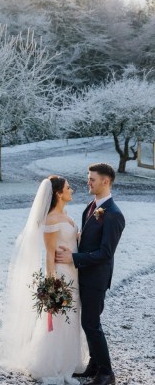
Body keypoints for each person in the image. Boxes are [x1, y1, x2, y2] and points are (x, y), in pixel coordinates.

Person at [0, 175, 88, 385]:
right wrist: (53, 287)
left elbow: (73, 243)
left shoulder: (66, 217)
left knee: (72, 321)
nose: (71, 190)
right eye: (68, 187)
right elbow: (49, 256)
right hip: (62, 277)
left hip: (74, 274)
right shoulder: (51, 220)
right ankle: (51, 365)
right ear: (58, 193)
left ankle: (69, 362)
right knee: (58, 321)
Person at [55, 163, 125, 385]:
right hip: (83, 276)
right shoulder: (91, 206)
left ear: (106, 181)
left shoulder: (114, 214)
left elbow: (105, 253)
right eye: (88, 178)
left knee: (92, 324)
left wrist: (74, 259)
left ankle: (106, 373)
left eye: (92, 179)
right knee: (88, 323)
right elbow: (88, 240)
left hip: (96, 278)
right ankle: (94, 366)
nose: (88, 182)